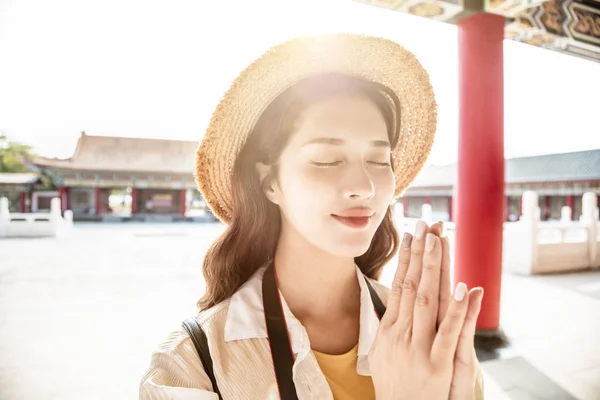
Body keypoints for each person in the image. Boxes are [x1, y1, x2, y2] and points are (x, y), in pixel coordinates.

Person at [140, 33, 485, 400]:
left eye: (379, 161)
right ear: (269, 181)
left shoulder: (429, 337)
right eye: (326, 159)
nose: (364, 187)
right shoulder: (191, 366)